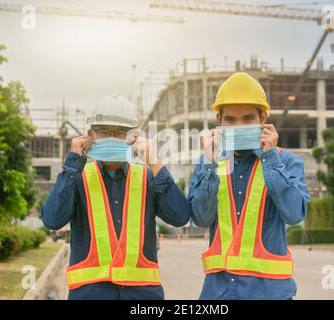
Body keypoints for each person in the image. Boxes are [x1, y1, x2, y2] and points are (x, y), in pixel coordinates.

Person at [42, 94, 190, 300]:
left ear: (134, 137)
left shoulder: (149, 177)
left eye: (120, 132)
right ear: (89, 136)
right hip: (89, 295)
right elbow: (52, 220)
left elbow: (180, 217)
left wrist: (154, 163)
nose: (112, 137)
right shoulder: (77, 178)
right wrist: (72, 163)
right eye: (103, 131)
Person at [188, 72, 310, 300]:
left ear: (263, 118)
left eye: (247, 119)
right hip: (218, 294)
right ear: (219, 121)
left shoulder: (287, 162)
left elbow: (294, 214)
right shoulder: (209, 163)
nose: (239, 126)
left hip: (271, 294)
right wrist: (209, 166)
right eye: (231, 120)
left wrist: (270, 158)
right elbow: (201, 219)